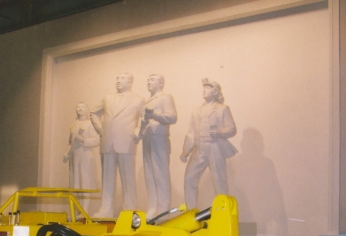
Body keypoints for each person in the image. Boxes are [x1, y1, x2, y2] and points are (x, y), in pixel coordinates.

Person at [90, 73, 145, 217]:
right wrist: (101, 130)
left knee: (128, 177)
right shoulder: (107, 98)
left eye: (122, 79)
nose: (118, 81)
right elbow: (94, 113)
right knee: (107, 178)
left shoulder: (138, 100)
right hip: (107, 142)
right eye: (117, 78)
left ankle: (129, 209)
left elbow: (144, 118)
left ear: (130, 82)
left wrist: (138, 129)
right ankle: (106, 208)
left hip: (126, 142)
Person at [180, 78, 237, 209]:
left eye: (208, 88)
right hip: (198, 149)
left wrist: (221, 132)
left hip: (214, 148)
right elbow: (191, 132)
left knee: (219, 182)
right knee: (189, 179)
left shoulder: (222, 109)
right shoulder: (196, 110)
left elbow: (232, 128)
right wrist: (186, 151)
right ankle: (191, 212)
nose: (204, 90)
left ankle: (223, 211)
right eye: (204, 87)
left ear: (215, 91)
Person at [138, 74, 177, 218]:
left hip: (159, 138)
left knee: (160, 173)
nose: (149, 82)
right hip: (147, 138)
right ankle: (153, 205)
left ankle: (163, 207)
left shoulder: (165, 97)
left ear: (161, 83)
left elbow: (172, 117)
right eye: (148, 79)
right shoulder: (148, 100)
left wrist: (154, 115)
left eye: (152, 80)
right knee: (150, 174)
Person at [63, 102, 100, 214]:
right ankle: (78, 211)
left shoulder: (90, 124)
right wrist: (67, 153)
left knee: (85, 182)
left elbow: (97, 140)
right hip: (75, 157)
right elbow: (71, 142)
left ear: (86, 109)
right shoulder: (73, 125)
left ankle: (85, 211)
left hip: (86, 156)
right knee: (76, 183)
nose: (79, 108)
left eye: (82, 107)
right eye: (77, 107)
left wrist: (84, 140)